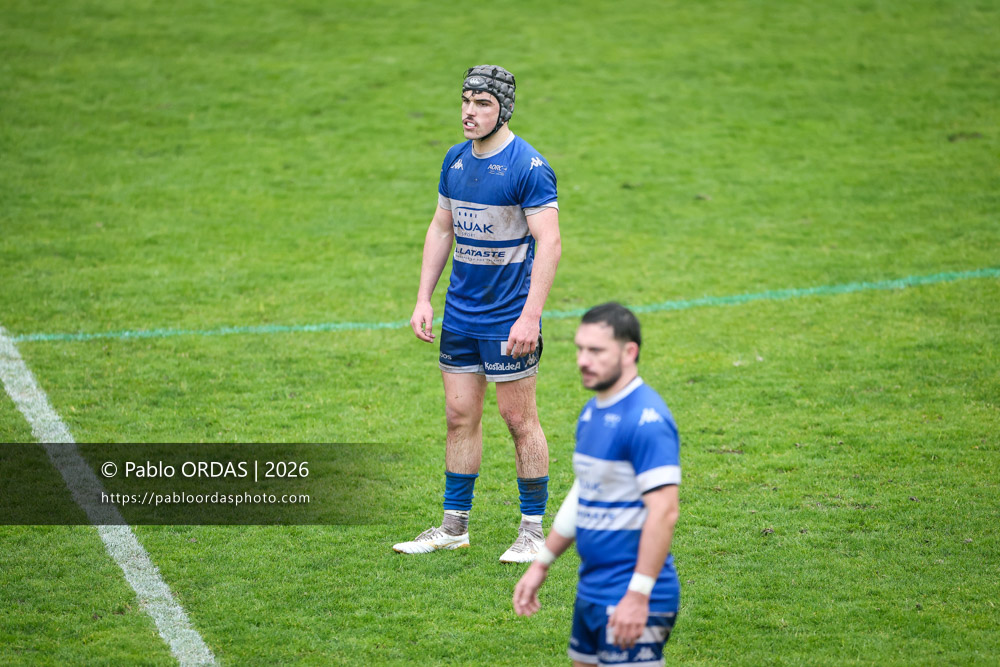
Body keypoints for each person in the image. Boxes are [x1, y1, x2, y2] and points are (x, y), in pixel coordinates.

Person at [393, 65, 561, 563]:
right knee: (458, 416)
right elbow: (441, 228)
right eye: (466, 100)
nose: (469, 111)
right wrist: (424, 299)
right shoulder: (455, 160)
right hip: (460, 316)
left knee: (518, 420)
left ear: (503, 109)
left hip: (508, 317)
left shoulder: (528, 168)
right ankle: (453, 527)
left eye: (483, 102)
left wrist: (530, 317)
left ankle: (533, 532)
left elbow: (549, 243)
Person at [513, 303, 682, 665]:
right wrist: (542, 563)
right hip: (592, 587)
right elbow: (584, 493)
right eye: (580, 349)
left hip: (632, 590)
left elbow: (665, 512)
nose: (583, 361)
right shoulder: (593, 412)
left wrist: (638, 594)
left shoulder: (646, 420)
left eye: (596, 351)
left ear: (629, 352)